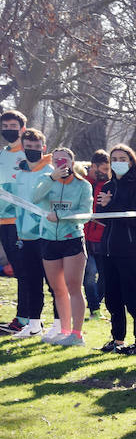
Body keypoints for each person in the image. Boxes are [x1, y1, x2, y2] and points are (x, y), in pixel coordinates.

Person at [31, 145, 93, 346]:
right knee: (57, 289)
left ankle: (77, 334)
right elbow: (35, 198)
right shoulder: (45, 180)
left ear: (71, 162)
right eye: (56, 160)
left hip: (72, 238)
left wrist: (61, 216)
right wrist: (51, 178)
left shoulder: (83, 185)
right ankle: (64, 330)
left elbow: (86, 214)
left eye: (64, 159)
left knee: (74, 286)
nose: (60, 163)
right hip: (48, 240)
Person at [94, 145, 136, 354]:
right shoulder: (107, 185)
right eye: (114, 159)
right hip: (107, 249)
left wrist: (111, 205)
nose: (118, 162)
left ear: (131, 161)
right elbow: (102, 216)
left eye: (123, 158)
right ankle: (117, 339)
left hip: (129, 250)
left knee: (132, 296)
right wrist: (105, 206)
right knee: (112, 297)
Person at [5, 128, 53, 338]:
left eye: (36, 147)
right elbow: (10, 201)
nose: (32, 150)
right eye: (28, 147)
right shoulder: (19, 173)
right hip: (24, 236)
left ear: (43, 148)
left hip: (47, 235)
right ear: (22, 148)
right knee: (32, 282)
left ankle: (62, 326)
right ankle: (34, 326)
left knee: (54, 283)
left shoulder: (50, 172)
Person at [0, 109, 28, 333]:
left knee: (22, 270)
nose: (9, 130)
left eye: (13, 126)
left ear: (22, 129)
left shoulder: (29, 154)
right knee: (12, 269)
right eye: (5, 127)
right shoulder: (2, 154)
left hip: (19, 222)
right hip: (2, 221)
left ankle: (24, 319)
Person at [82, 150, 110, 319]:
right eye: (104, 168)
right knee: (89, 274)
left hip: (102, 236)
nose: (107, 172)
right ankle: (94, 308)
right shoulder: (82, 182)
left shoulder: (108, 185)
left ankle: (97, 302)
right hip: (83, 236)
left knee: (105, 274)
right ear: (94, 166)